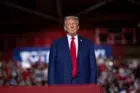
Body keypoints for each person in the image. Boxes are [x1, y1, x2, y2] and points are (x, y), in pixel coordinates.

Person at [48, 16, 97, 85]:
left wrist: (92, 86)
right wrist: (51, 87)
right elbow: (51, 68)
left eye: (74, 24)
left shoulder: (88, 44)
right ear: (65, 28)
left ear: (78, 27)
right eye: (68, 24)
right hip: (62, 85)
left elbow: (93, 67)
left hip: (83, 84)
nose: (71, 26)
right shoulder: (56, 44)